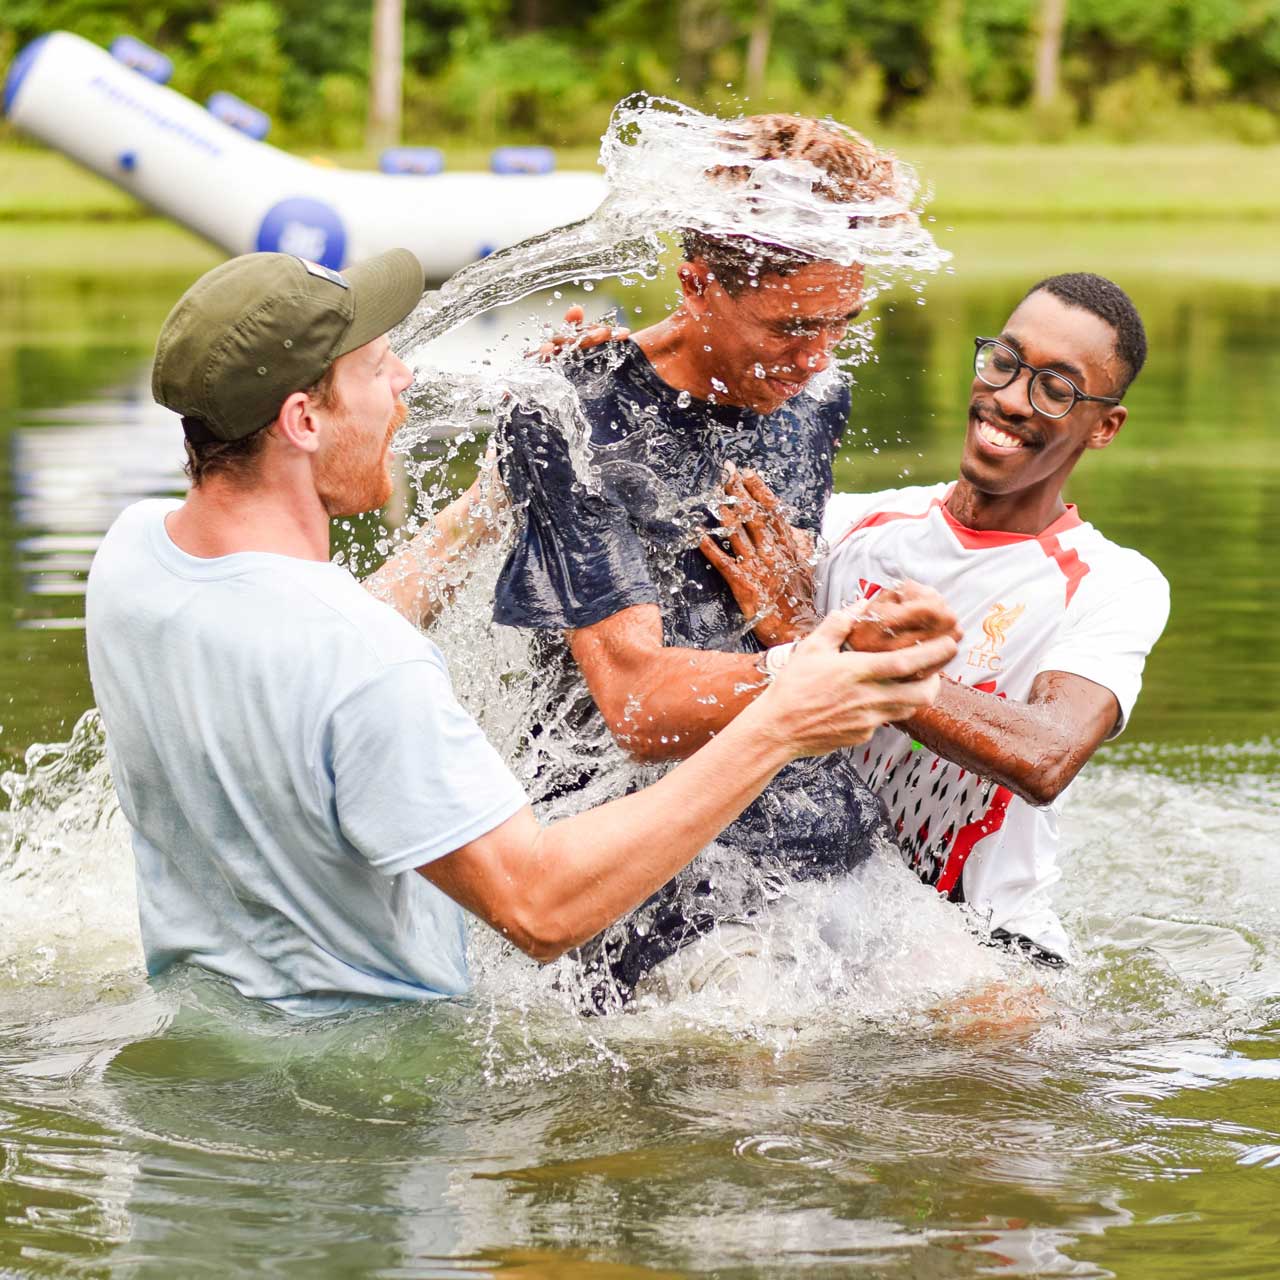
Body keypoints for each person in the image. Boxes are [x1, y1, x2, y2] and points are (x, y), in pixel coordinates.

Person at [83, 248, 955, 1015]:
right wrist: (785, 712)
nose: (407, 383)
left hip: (213, 1018)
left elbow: (309, 647)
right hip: (380, 1085)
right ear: (303, 422)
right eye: (380, 368)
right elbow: (538, 910)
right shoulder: (368, 662)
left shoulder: (134, 560)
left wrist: (502, 486)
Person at [493, 115, 959, 1009]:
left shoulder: (819, 391)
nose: (817, 359)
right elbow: (633, 702)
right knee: (763, 1082)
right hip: (656, 869)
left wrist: (821, 625)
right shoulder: (571, 417)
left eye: (842, 322)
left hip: (825, 840)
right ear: (696, 284)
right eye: (789, 327)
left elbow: (770, 606)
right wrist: (825, 662)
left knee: (1005, 1024)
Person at [701, 273, 1171, 965]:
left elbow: (1047, 755)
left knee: (1000, 1031)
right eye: (1005, 363)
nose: (1008, 398)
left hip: (988, 943)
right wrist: (594, 388)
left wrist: (829, 651)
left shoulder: (1113, 584)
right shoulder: (848, 525)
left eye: (1056, 388)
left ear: (1104, 425)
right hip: (801, 910)